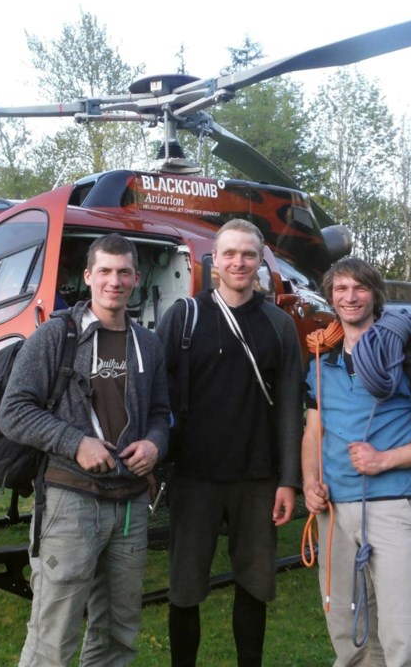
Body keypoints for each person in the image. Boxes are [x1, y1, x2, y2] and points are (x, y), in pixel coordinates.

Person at [0, 233, 171, 667]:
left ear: (136, 278)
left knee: (119, 633)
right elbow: (14, 411)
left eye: (124, 272)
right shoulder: (55, 336)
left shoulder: (148, 344)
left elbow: (161, 412)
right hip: (69, 501)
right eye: (106, 272)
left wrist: (155, 443)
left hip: (129, 506)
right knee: (53, 636)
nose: (115, 281)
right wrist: (75, 442)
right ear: (88, 276)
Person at [302, 257, 411, 666]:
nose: (350, 297)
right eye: (340, 289)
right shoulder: (323, 365)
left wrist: (385, 460)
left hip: (392, 506)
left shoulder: (409, 353)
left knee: (404, 632)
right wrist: (309, 482)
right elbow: (312, 431)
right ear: (330, 298)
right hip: (334, 514)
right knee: (347, 630)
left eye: (359, 288)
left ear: (375, 295)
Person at [156, 218, 303, 667]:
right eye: (230, 254)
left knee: (254, 586)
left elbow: (291, 406)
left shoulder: (279, 325)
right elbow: (155, 398)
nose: (239, 262)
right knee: (184, 590)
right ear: (213, 260)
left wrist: (289, 480)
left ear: (260, 262)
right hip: (193, 478)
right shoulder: (183, 317)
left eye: (249, 255)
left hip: (257, 478)